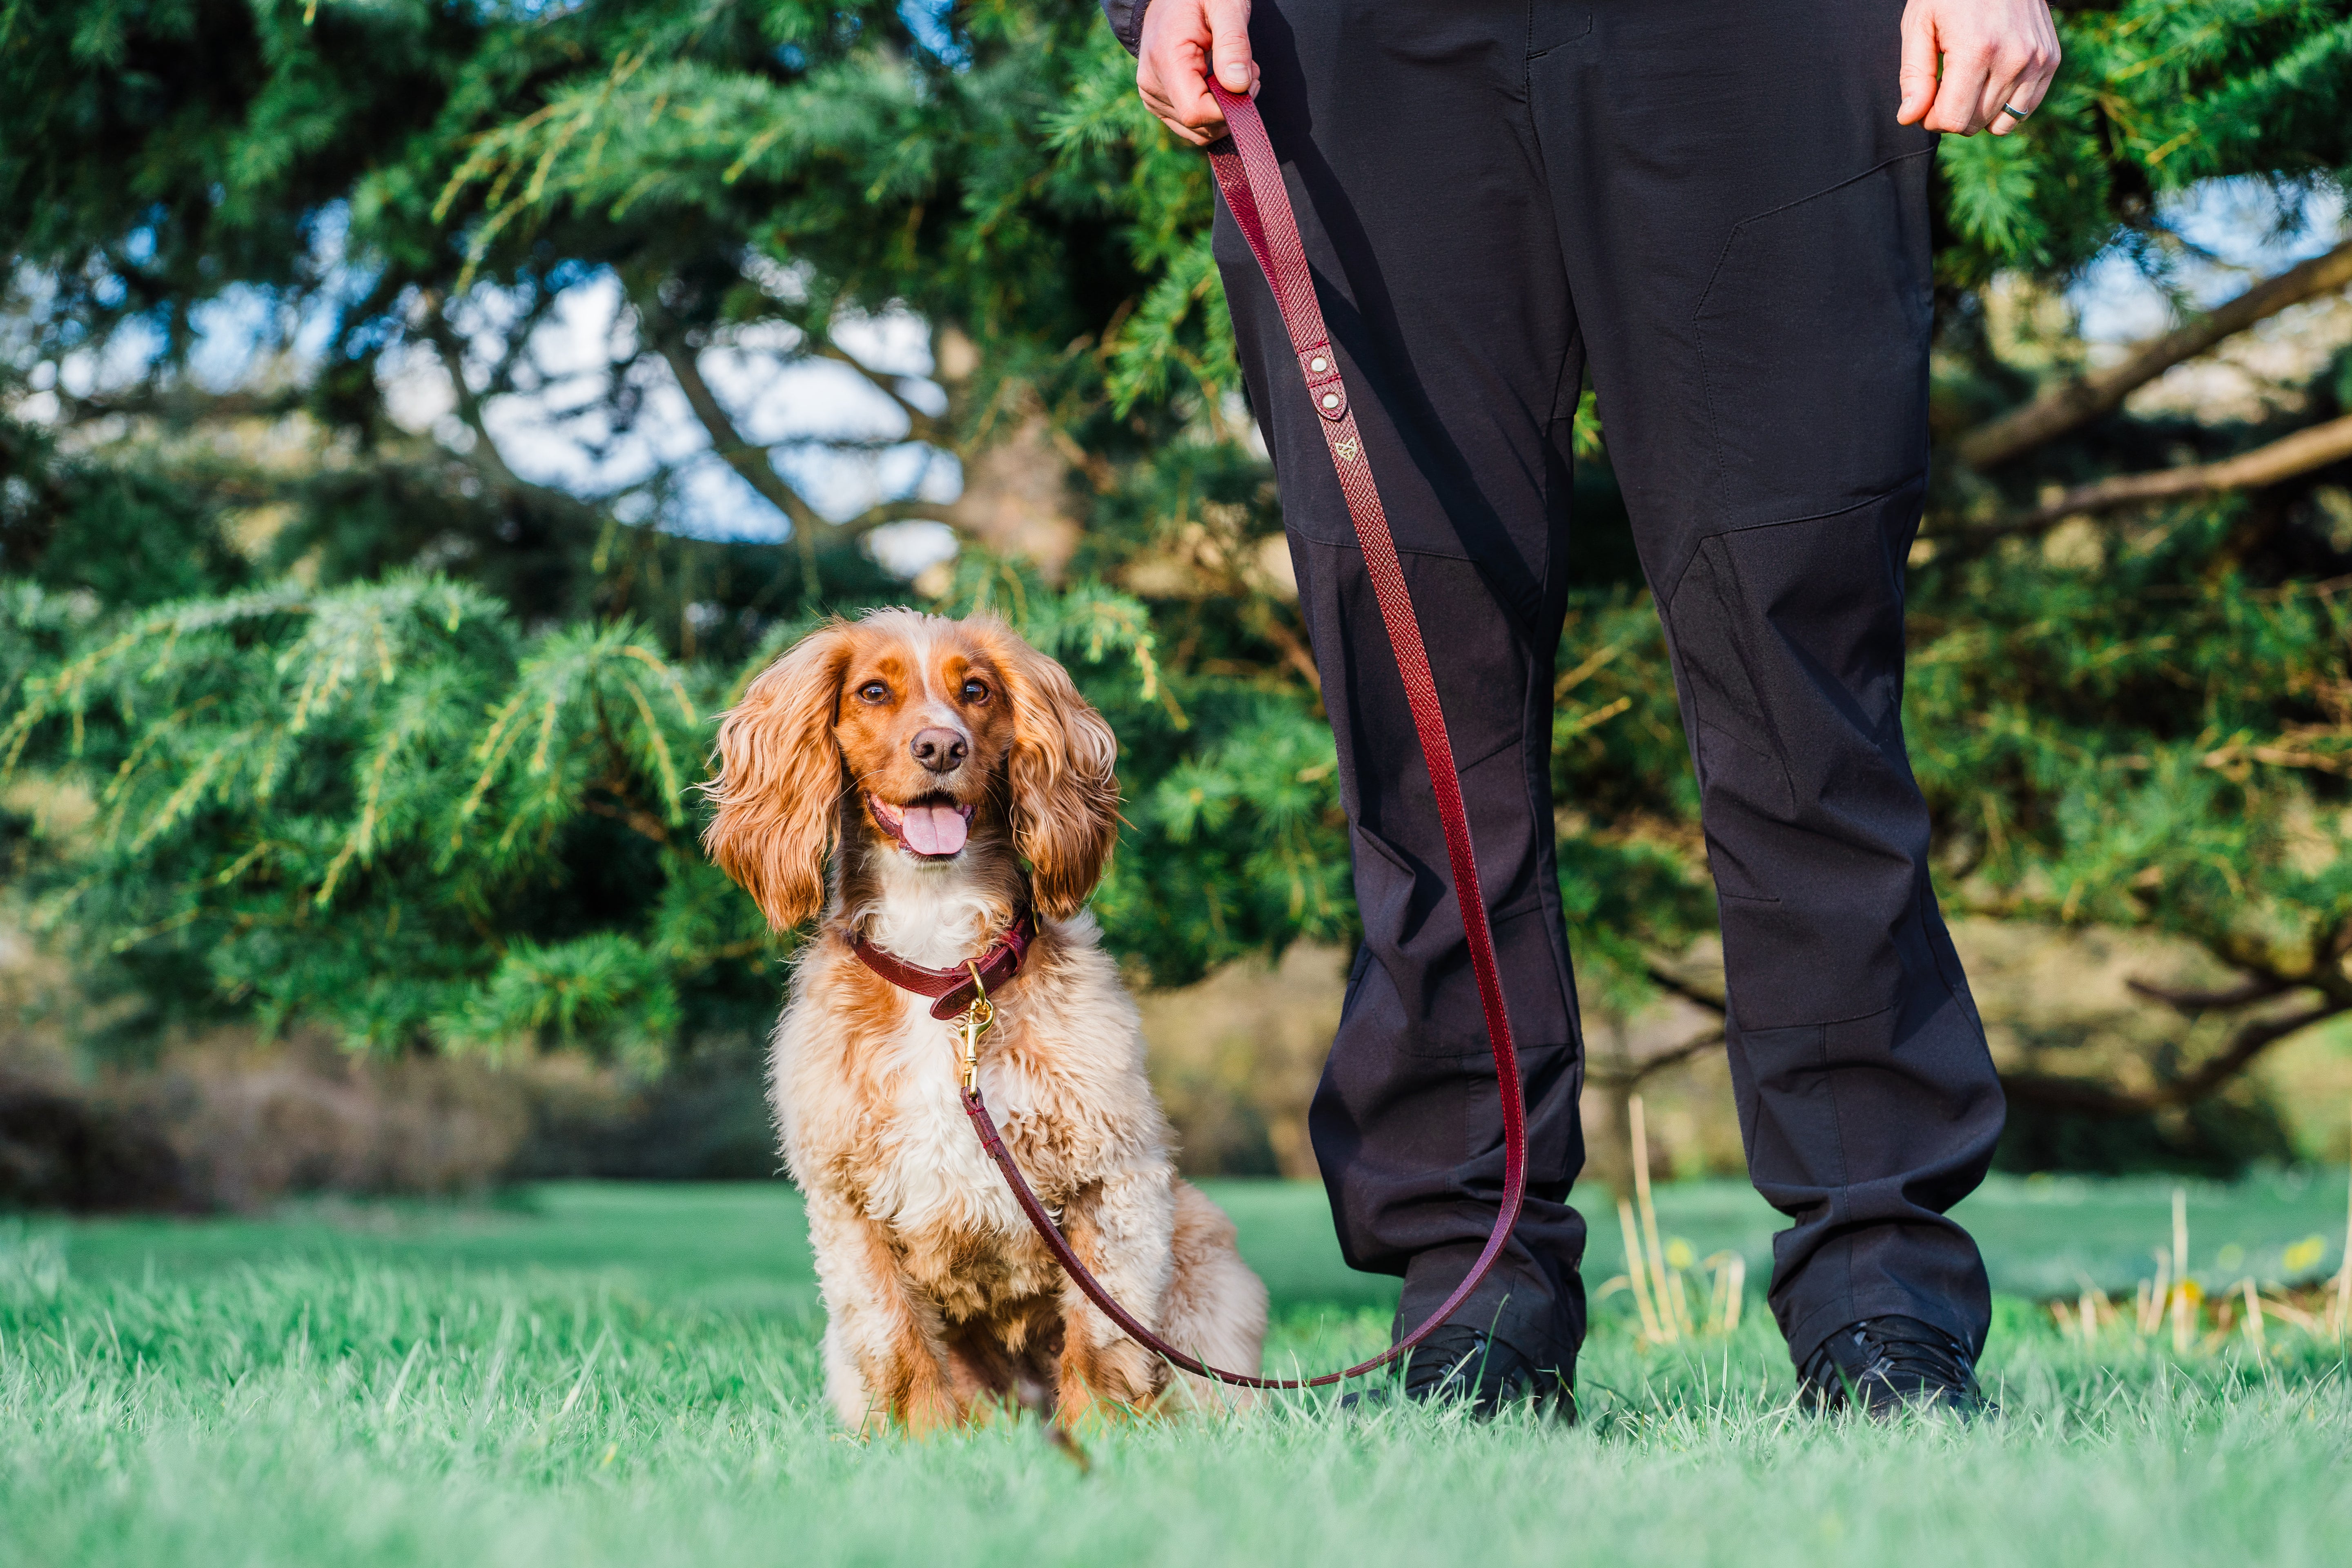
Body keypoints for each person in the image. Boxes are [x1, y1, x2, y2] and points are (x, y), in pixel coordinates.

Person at [1098, 0, 2059, 1416]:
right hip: (1356, 45)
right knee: (1423, 702)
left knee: (1800, 675)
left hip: (1760, 41)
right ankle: (1473, 1293)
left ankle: (1884, 1296)